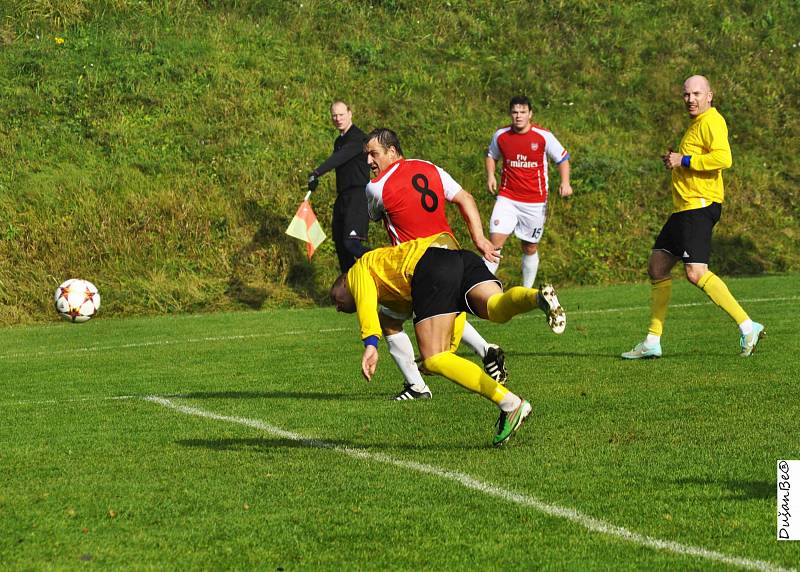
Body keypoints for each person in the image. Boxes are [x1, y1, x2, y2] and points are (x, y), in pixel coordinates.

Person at [330, 232, 567, 447]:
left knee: (434, 359)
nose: (337, 307)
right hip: (457, 256)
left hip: (429, 265)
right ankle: (536, 298)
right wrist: (448, 349)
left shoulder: (357, 271)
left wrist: (371, 344)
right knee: (496, 307)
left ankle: (510, 404)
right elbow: (447, 310)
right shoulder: (389, 281)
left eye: (335, 298)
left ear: (343, 282)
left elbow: (366, 304)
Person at [362, 128, 514, 400]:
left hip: (417, 265)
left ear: (392, 151)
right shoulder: (430, 167)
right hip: (451, 254)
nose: (369, 162)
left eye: (374, 154)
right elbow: (465, 198)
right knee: (449, 310)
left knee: (392, 322)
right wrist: (479, 239)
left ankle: (417, 386)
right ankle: (486, 350)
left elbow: (375, 214)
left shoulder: (376, 186)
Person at [622, 75, 765, 359]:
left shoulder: (712, 121)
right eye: (686, 94)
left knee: (695, 272)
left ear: (710, 95)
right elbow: (696, 159)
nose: (690, 99)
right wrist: (676, 161)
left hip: (698, 207)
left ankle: (748, 326)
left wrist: (683, 160)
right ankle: (652, 341)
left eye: (697, 94)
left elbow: (723, 159)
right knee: (658, 266)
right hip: (683, 209)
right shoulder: (696, 125)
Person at [485, 95, 573, 288]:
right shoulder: (501, 135)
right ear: (510, 114)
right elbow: (492, 155)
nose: (518, 116)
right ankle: (480, 289)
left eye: (523, 112)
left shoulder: (543, 136)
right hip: (507, 198)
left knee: (529, 246)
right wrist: (491, 175)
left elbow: (563, 158)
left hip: (535, 201)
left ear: (530, 114)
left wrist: (565, 183)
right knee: (494, 245)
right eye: (515, 112)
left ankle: (526, 291)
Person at [307, 101, 371, 273]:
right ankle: (350, 291)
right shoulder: (339, 141)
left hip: (358, 196)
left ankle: (382, 262)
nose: (337, 119)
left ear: (350, 114)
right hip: (343, 197)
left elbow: (341, 157)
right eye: (334, 115)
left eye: (341, 114)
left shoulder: (359, 138)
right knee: (341, 245)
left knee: (351, 244)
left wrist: (317, 172)